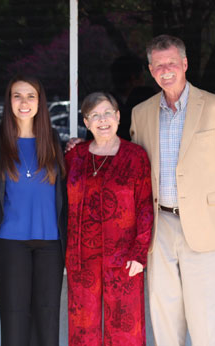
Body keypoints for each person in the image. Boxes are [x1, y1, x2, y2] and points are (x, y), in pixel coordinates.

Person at [130, 34, 215, 346]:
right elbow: (132, 165)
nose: (165, 69)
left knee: (205, 313)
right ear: (150, 69)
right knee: (164, 311)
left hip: (207, 223)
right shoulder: (141, 113)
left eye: (172, 63)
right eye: (158, 65)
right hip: (160, 225)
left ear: (184, 64)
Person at [65, 92, 153, 345]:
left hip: (124, 257)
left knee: (125, 326)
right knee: (83, 328)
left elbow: (145, 206)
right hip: (81, 258)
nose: (102, 120)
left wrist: (139, 252)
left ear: (117, 116)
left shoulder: (135, 156)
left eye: (107, 113)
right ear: (86, 122)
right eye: (94, 115)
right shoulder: (74, 156)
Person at [0, 74, 67, 346]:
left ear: (40, 101)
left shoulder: (55, 140)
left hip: (50, 245)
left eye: (30, 96)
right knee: (14, 322)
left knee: (47, 322)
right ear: (9, 101)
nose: (24, 102)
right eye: (17, 96)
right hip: (10, 244)